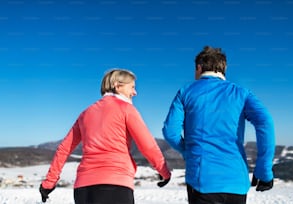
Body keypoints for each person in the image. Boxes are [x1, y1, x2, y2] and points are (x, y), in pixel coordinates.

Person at [39, 68, 171, 204]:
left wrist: (49, 183)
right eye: (132, 87)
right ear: (117, 86)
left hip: (83, 190)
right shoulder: (126, 109)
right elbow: (147, 145)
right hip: (115, 186)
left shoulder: (85, 113)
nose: (135, 92)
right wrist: (164, 172)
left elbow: (64, 149)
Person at [162, 46, 275, 204]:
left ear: (199, 68)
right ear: (224, 68)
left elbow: (170, 132)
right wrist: (264, 170)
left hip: (202, 182)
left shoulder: (186, 92)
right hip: (236, 183)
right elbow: (265, 122)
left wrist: (187, 150)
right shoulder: (241, 93)